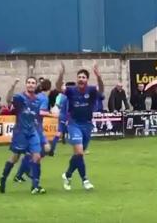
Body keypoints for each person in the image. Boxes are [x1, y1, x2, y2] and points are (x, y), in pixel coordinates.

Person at [55, 62, 103, 191]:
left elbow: (102, 90)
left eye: (83, 77)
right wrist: (61, 74)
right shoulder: (71, 91)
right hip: (74, 123)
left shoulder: (91, 90)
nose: (81, 79)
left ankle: (68, 174)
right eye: (79, 77)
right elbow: (59, 88)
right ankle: (85, 180)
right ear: (77, 79)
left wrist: (98, 76)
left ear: (87, 80)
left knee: (78, 155)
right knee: (80, 152)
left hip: (87, 125)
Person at [0, 77, 48, 195]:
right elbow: (8, 99)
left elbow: (35, 115)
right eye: (29, 83)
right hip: (20, 132)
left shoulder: (37, 100)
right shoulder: (20, 98)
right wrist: (13, 86)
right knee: (15, 157)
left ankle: (35, 186)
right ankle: (3, 178)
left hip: (32, 131)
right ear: (26, 85)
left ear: (36, 86)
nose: (31, 85)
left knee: (37, 156)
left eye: (33, 83)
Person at [14, 78, 52, 183]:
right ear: (49, 88)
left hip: (31, 126)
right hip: (36, 127)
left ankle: (21, 173)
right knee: (45, 149)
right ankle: (29, 171)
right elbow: (41, 112)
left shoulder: (36, 96)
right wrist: (53, 115)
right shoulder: (43, 98)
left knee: (33, 152)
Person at [49, 82, 74, 157]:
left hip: (61, 116)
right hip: (65, 117)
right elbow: (68, 110)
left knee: (58, 133)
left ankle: (51, 150)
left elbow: (59, 106)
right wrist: (67, 119)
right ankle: (80, 149)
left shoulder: (62, 97)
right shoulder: (68, 98)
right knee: (75, 132)